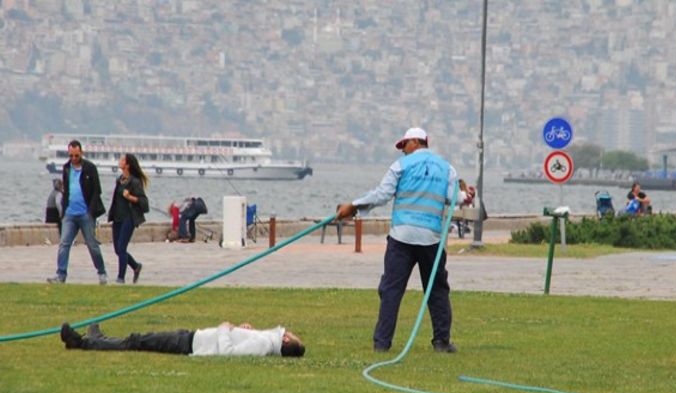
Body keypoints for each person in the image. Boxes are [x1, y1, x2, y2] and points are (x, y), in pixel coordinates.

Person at [336, 127, 474, 353]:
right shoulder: (447, 169)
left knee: (391, 290)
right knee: (437, 290)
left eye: (404, 145)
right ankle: (442, 341)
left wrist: (354, 205)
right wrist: (467, 197)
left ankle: (382, 344)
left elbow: (382, 195)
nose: (403, 151)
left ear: (417, 142)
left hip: (402, 238)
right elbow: (453, 198)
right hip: (431, 239)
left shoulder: (400, 166)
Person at [47, 140, 108, 284]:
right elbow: (66, 190)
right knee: (64, 244)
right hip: (70, 213)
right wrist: (64, 208)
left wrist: (90, 211)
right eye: (71, 155)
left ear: (81, 153)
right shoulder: (66, 168)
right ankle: (61, 274)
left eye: (76, 155)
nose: (74, 158)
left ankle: (102, 272)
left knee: (92, 245)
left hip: (85, 213)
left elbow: (96, 191)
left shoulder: (90, 168)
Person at [60, 322, 305, 357]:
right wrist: (243, 328)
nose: (289, 331)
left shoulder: (264, 344)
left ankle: (83, 342)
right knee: (137, 340)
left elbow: (229, 354)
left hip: (189, 344)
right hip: (192, 337)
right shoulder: (265, 340)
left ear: (286, 342)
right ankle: (98, 339)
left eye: (292, 335)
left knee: (136, 341)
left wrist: (223, 329)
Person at [107, 154, 149, 284]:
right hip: (117, 218)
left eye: (122, 160)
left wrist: (130, 197)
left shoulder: (135, 182)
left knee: (121, 247)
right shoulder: (119, 180)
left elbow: (144, 203)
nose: (119, 161)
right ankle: (136, 266)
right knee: (118, 250)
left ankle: (121, 278)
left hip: (129, 218)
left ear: (128, 164)